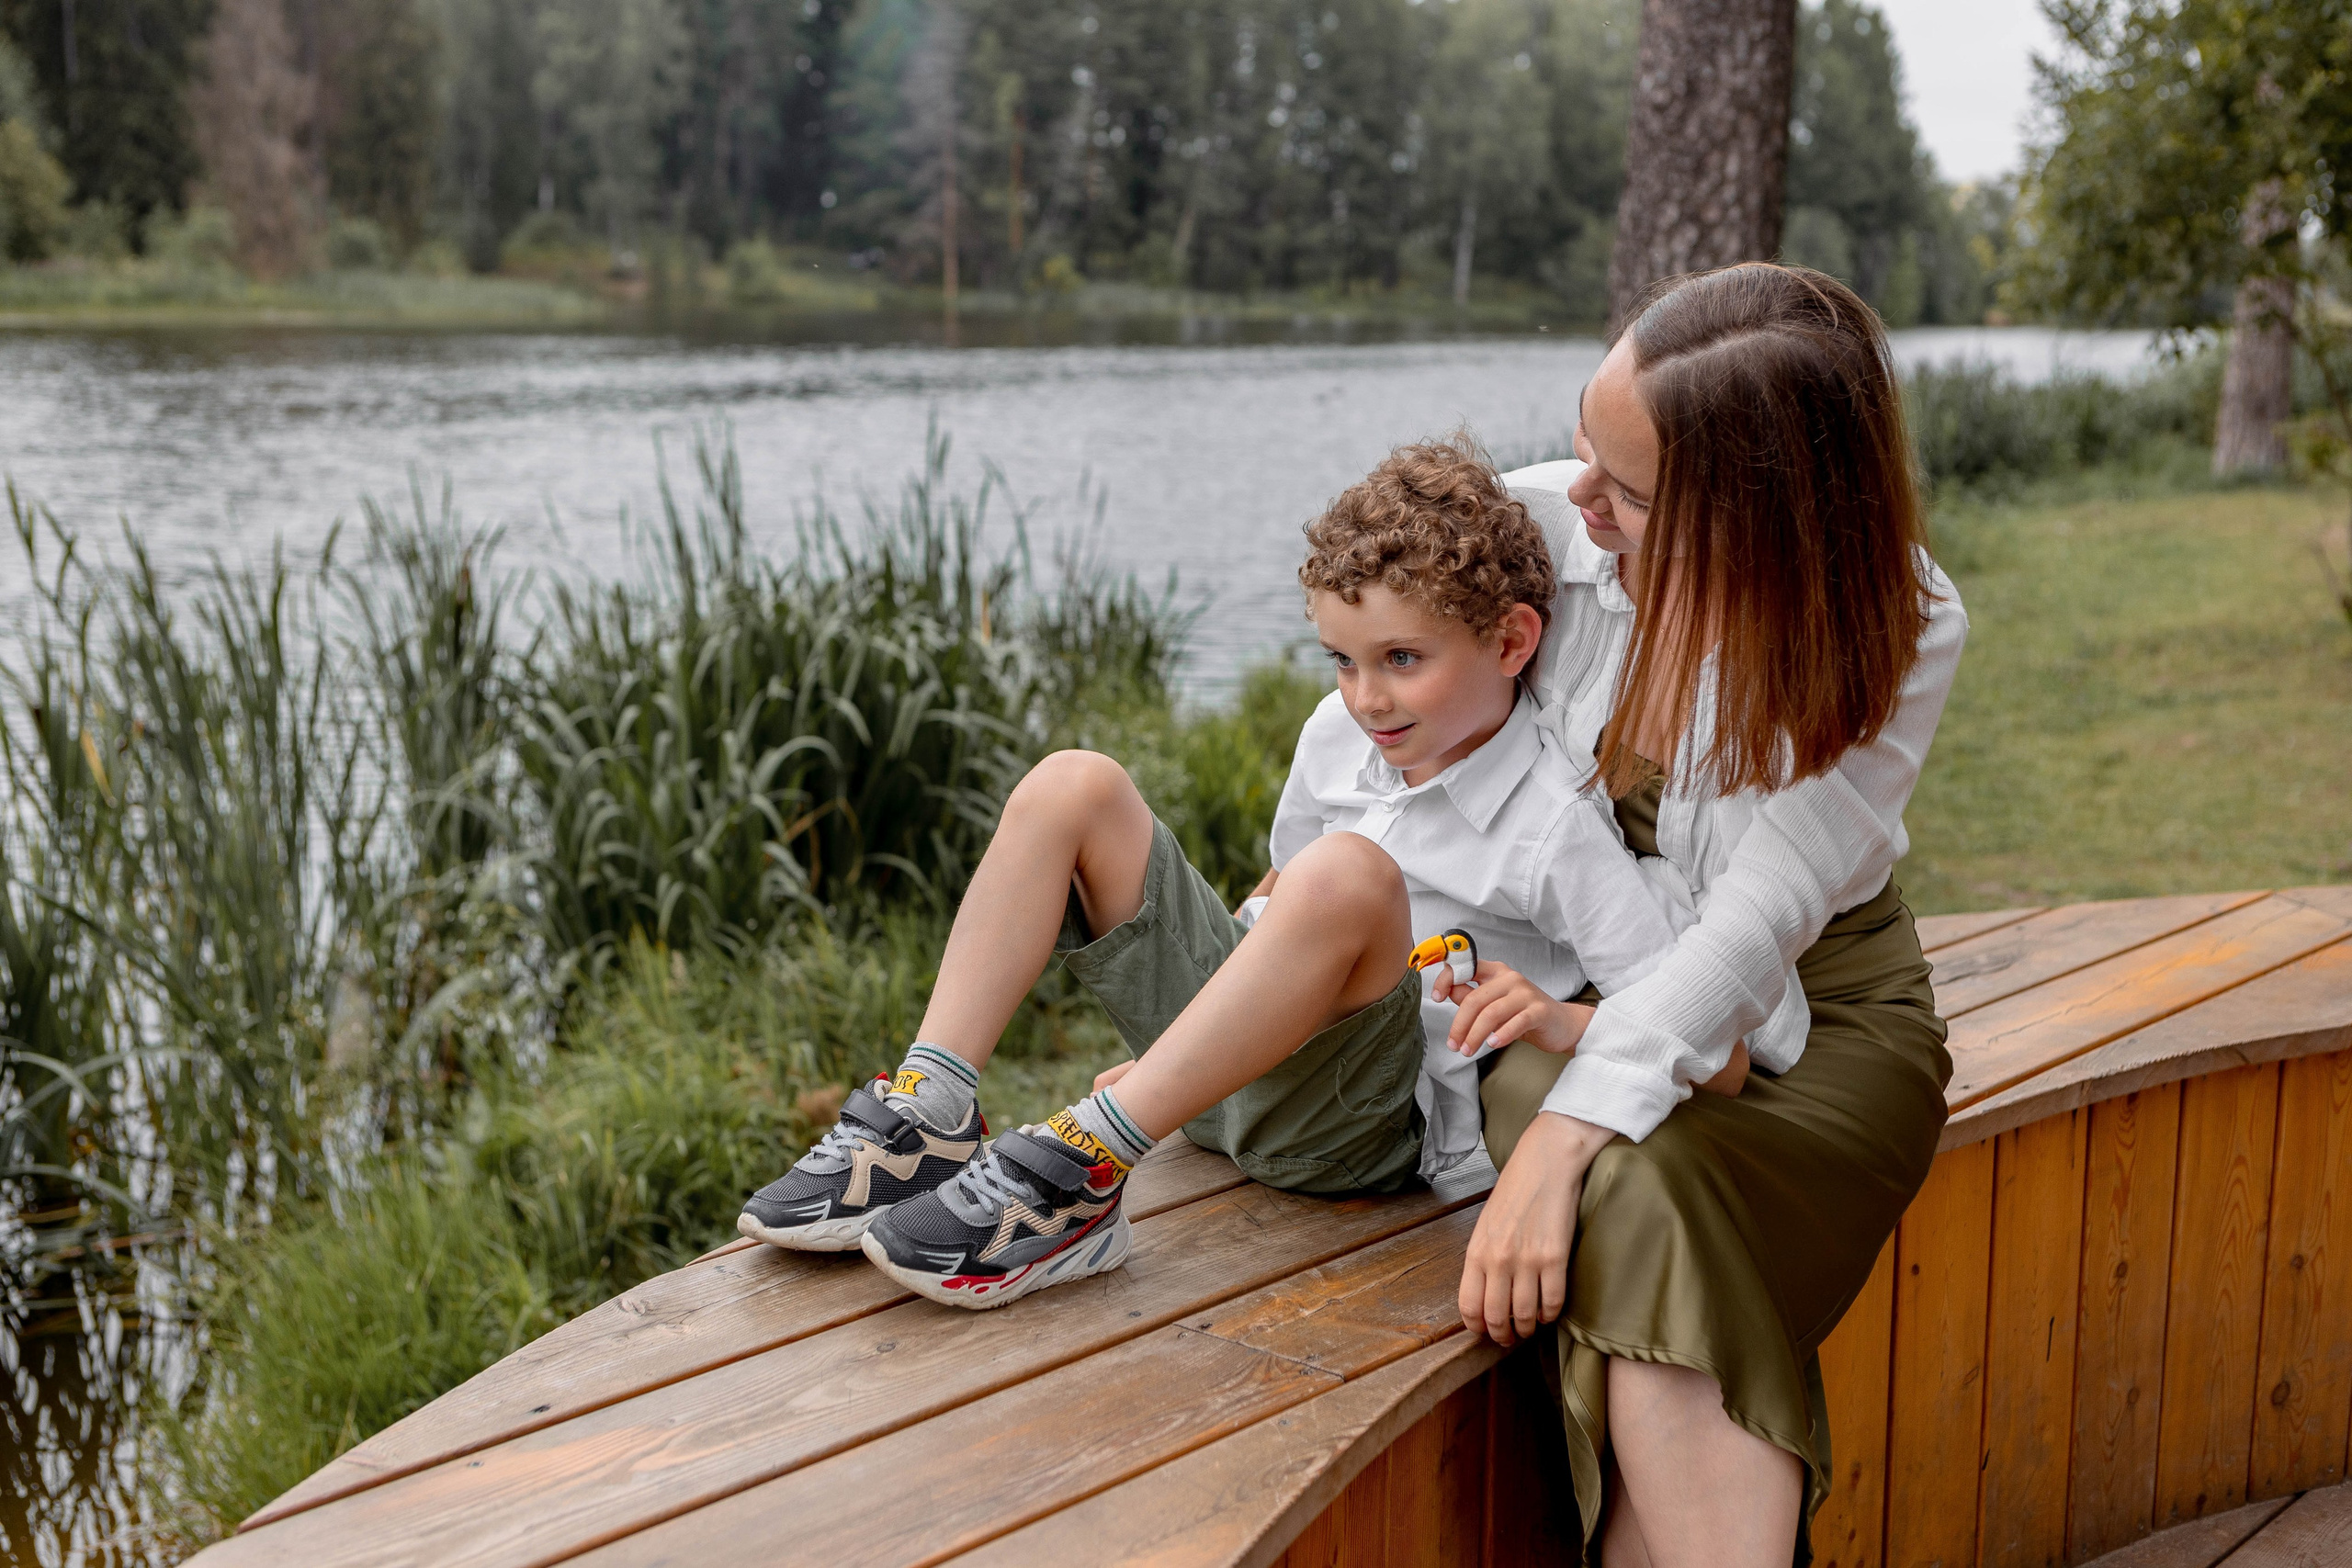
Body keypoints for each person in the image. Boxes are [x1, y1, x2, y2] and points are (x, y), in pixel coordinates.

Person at [737, 436, 1718, 1311]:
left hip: (1350, 1126)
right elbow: (1276, 891)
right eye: (1341, 660)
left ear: (1509, 641)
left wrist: (1564, 1021)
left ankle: (1084, 1172)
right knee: (1072, 785)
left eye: (1401, 658)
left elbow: (1707, 1038)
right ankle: (929, 1112)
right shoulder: (1338, 734)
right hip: (1218, 1074)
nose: (1366, 698)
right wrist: (1190, 1048)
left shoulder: (1552, 824)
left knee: (1344, 874)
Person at [1464, 263, 1969, 1568]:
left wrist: (1556, 1146)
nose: (1579, 498)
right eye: (1584, 440)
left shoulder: (1896, 621)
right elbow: (1376, 717)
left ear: (1761, 521)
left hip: (1823, 1023)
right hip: (1589, 1001)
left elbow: (1754, 929)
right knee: (1642, 1184)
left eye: (1629, 492)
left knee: (1620, 1179)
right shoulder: (1538, 531)